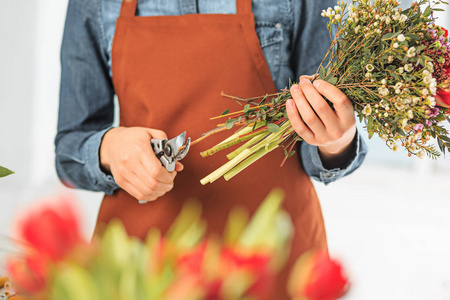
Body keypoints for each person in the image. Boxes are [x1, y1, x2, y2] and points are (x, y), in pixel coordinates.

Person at [56, 0, 367, 298]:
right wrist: (109, 149)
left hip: (271, 259)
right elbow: (69, 151)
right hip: (143, 270)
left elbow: (316, 149)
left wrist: (335, 140)